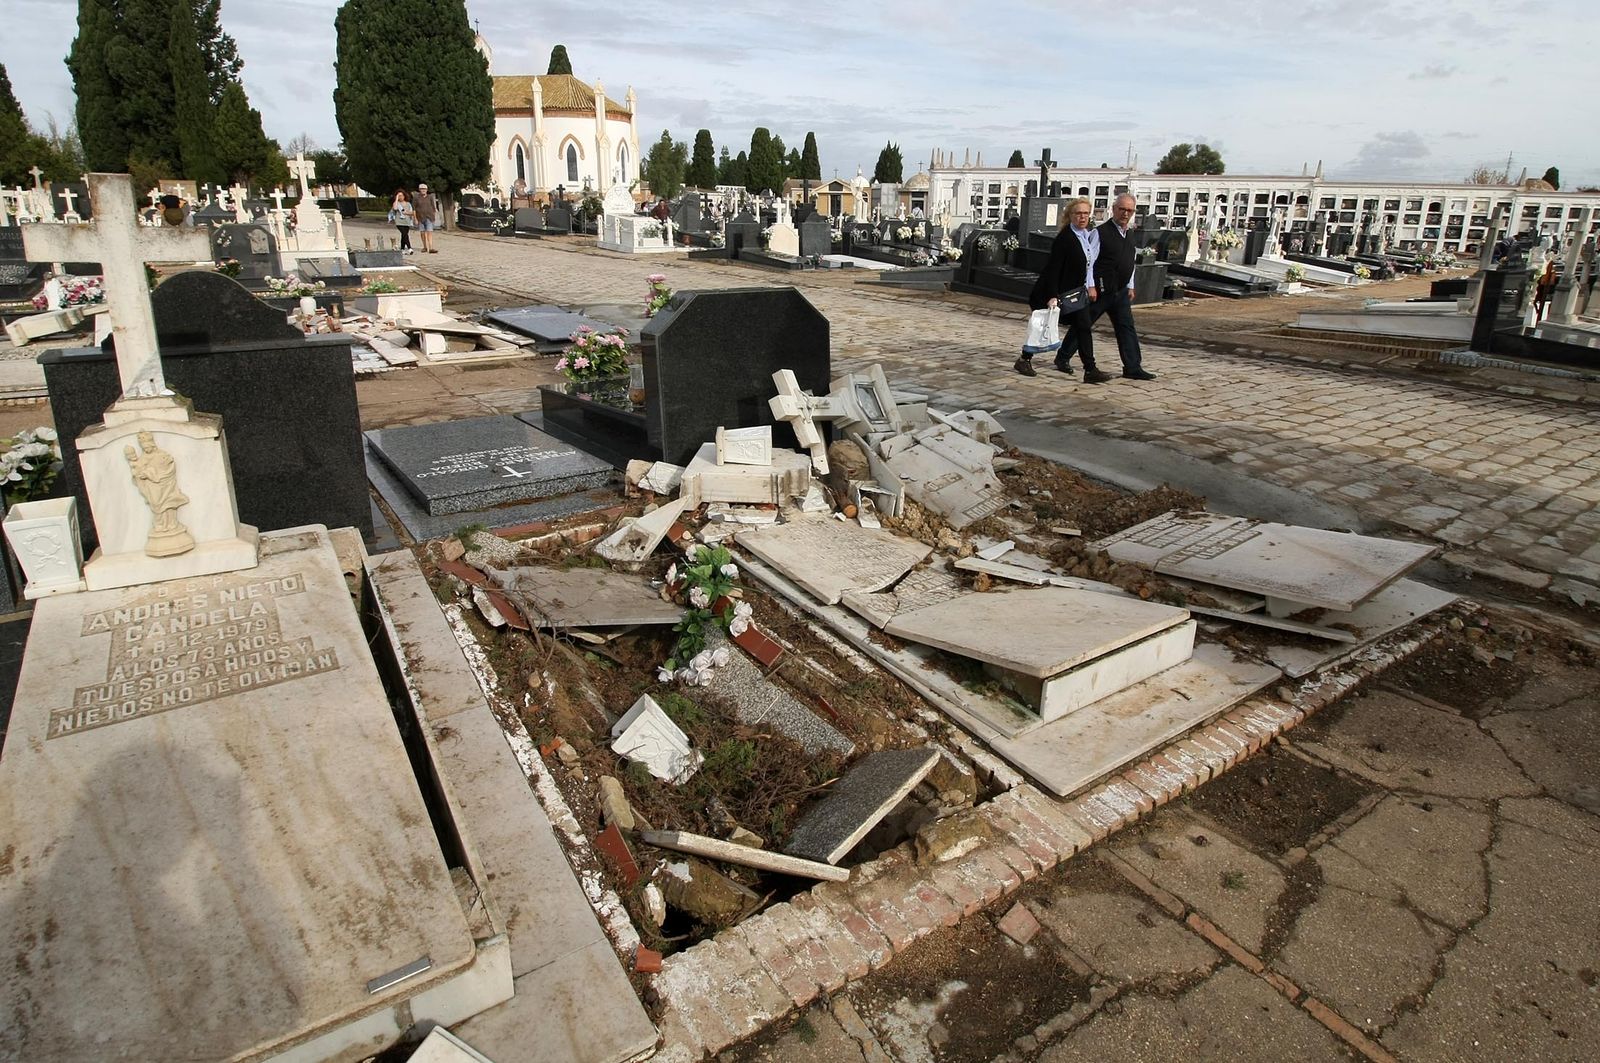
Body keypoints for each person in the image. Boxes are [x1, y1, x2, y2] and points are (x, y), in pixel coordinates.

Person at [1057, 193, 1156, 380]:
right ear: (1114, 209)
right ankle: (1063, 357)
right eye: (1122, 209)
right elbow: (1089, 261)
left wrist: (1130, 285)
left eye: (1129, 210)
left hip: (1121, 291)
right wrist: (1090, 286)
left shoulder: (1130, 234)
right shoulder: (1099, 233)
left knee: (1126, 327)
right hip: (1101, 290)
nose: (1125, 213)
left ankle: (1133, 366)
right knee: (1083, 325)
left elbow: (1130, 261)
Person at [1016, 198, 1109, 381]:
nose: (1082, 217)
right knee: (1043, 326)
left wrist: (1090, 285)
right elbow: (1053, 268)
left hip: (1075, 293)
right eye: (1078, 213)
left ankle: (1090, 369)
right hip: (1056, 291)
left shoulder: (1085, 236)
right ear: (1070, 216)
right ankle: (1024, 359)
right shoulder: (1065, 238)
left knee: (1083, 326)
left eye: (1085, 213)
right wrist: (1052, 295)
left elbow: (1088, 265)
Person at [414, 182, 440, 253]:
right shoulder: (416, 198)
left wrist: (434, 216)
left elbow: (433, 207)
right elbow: (414, 209)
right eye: (422, 189)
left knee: (429, 232)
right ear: (419, 189)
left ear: (427, 190)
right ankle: (425, 247)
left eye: (424, 189)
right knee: (422, 232)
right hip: (420, 217)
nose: (423, 190)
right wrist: (415, 218)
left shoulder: (430, 197)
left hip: (429, 217)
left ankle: (431, 247)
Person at [389, 189, 415, 254]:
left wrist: (406, 213)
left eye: (401, 195)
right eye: (399, 196)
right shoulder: (396, 203)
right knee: (405, 234)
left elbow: (412, 212)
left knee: (404, 236)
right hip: (399, 221)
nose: (400, 197)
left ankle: (402, 249)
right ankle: (409, 248)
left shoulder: (408, 204)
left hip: (407, 221)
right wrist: (396, 198)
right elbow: (395, 208)